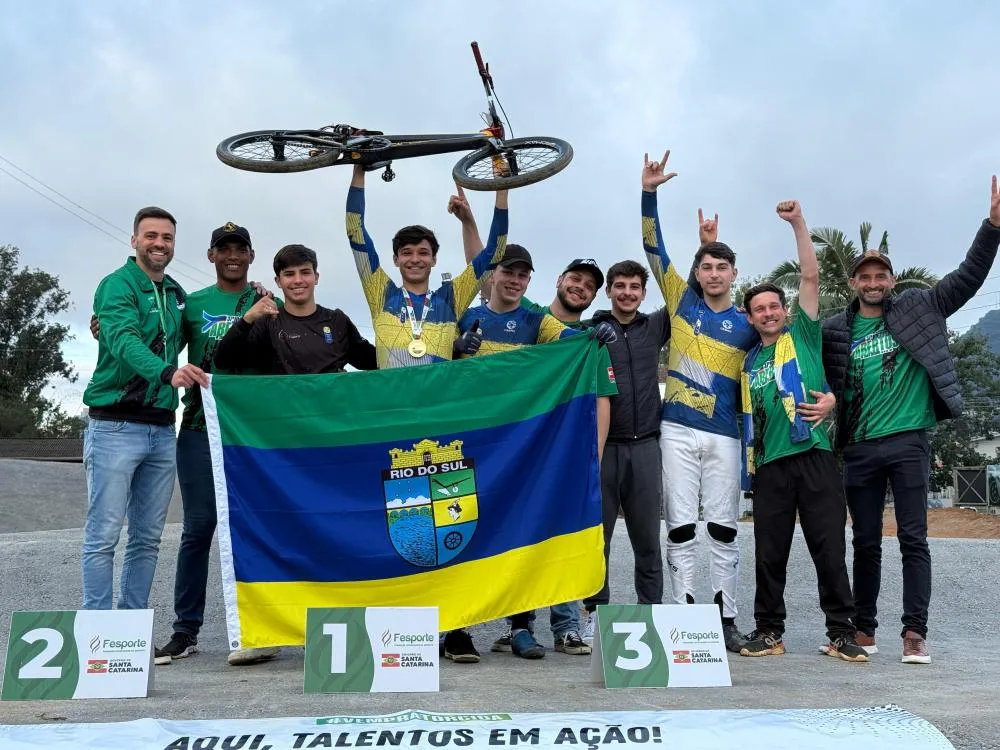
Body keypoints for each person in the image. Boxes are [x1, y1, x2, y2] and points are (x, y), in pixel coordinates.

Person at [822, 176, 1000, 664]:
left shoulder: (922, 306)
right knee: (863, 542)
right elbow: (794, 343)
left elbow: (967, 277)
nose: (874, 283)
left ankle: (914, 633)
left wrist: (992, 227)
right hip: (858, 447)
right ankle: (864, 630)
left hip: (907, 443)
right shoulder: (836, 330)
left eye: (882, 277)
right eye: (866, 277)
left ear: (892, 281)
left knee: (914, 539)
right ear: (854, 283)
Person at [449, 190, 619, 654]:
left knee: (514, 532)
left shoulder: (536, 320)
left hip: (516, 448)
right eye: (509, 271)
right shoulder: (465, 315)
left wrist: (594, 334)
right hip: (468, 444)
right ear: (494, 274)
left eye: (524, 274)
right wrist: (453, 348)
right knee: (461, 529)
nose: (516, 280)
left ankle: (520, 626)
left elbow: (570, 339)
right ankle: (456, 629)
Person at [738, 200, 868, 663]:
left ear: (784, 311)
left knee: (828, 550)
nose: (769, 313)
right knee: (768, 555)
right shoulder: (748, 361)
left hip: (814, 457)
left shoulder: (805, 336)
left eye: (774, 306)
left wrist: (797, 223)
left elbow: (810, 277)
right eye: (760, 309)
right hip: (770, 466)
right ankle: (769, 631)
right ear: (749, 318)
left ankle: (841, 632)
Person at [640, 151, 758, 652]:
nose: (714, 273)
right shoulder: (681, 302)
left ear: (734, 274)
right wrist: (649, 192)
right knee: (681, 522)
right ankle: (683, 615)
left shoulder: (752, 326)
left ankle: (725, 616)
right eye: (706, 266)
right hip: (677, 428)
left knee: (724, 529)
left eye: (722, 267)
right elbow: (653, 248)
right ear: (698, 273)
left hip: (725, 433)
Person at [82, 206, 208, 611]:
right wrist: (166, 372)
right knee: (103, 535)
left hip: (160, 430)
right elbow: (123, 339)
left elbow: (206, 328)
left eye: (167, 238)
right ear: (134, 240)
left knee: (147, 538)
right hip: (114, 426)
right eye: (151, 236)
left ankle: (129, 633)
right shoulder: (116, 285)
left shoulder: (174, 294)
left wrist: (260, 298)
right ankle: (98, 627)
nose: (159, 244)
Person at [579, 260, 670, 644]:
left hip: (646, 446)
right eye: (620, 286)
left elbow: (684, 288)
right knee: (596, 539)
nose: (627, 293)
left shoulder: (655, 327)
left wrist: (703, 246)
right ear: (608, 291)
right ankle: (594, 614)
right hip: (603, 449)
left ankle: (650, 614)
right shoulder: (590, 331)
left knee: (648, 540)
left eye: (635, 287)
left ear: (644, 294)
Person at [344, 166, 507, 368]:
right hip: (392, 399)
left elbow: (495, 251)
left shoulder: (451, 298)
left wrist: (502, 188)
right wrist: (359, 171)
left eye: (423, 253)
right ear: (396, 260)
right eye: (406, 252)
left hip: (437, 399)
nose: (415, 259)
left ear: (434, 260)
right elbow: (355, 230)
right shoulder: (381, 293)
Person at [215, 244, 376, 374]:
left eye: (305, 272)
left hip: (329, 412)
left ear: (316, 277)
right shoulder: (268, 324)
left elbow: (377, 363)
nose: (298, 280)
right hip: (286, 413)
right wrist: (246, 319)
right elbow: (223, 361)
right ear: (278, 281)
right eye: (289, 274)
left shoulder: (337, 321)